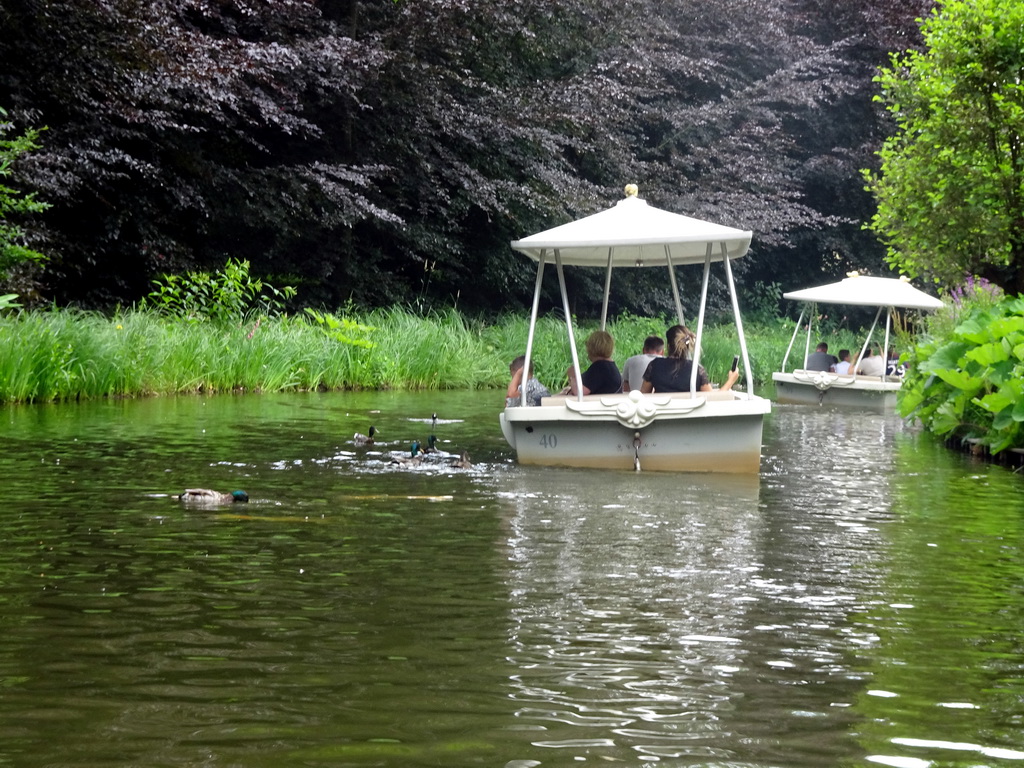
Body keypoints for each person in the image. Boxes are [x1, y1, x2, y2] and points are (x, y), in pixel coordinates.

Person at [641, 324, 741, 393]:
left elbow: (643, 395)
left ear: (668, 346)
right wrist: (731, 380)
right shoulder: (696, 370)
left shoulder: (654, 365)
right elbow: (713, 399)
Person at [565, 330, 622, 395]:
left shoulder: (600, 368)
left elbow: (579, 392)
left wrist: (573, 376)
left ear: (591, 348)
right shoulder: (609, 367)